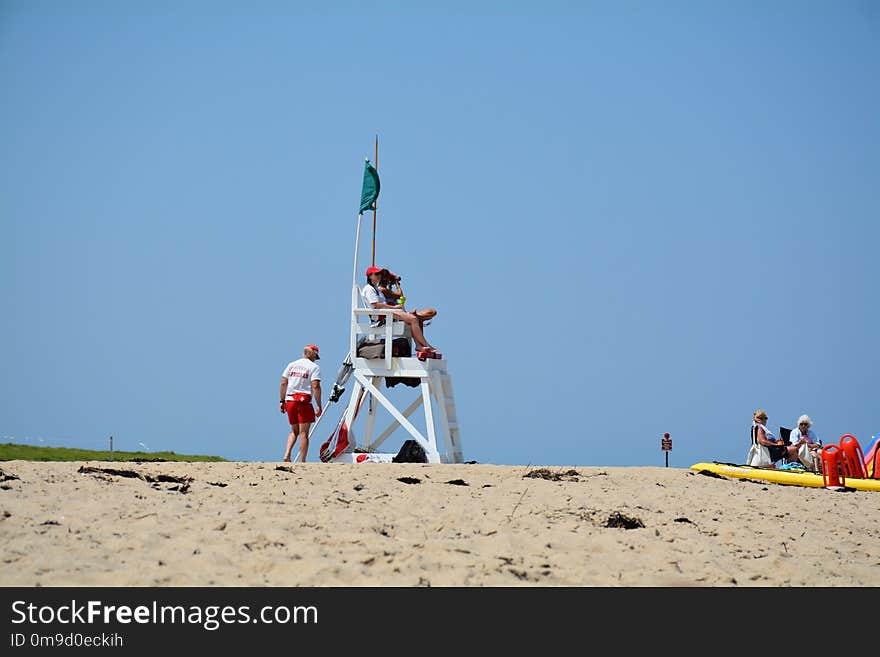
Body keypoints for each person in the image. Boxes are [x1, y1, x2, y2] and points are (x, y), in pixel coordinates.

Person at [362, 266, 437, 352]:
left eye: (380, 274)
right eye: (377, 274)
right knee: (413, 319)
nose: (379, 276)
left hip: (387, 313)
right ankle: (426, 345)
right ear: (370, 276)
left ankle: (419, 346)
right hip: (382, 316)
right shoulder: (369, 289)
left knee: (416, 319)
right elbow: (376, 304)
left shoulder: (376, 289)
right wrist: (394, 307)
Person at [279, 344, 322, 462]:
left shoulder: (291, 365)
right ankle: (302, 460)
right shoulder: (314, 367)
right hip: (304, 401)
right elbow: (315, 386)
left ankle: (287, 454)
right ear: (313, 354)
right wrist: (319, 405)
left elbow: (283, 382)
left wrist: (282, 401)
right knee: (304, 433)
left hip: (290, 400)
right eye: (315, 356)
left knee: (294, 430)